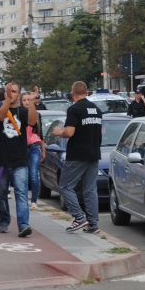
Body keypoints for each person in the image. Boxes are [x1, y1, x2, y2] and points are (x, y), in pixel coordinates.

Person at [52, 81, 103, 233]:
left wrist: (59, 132)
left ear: (73, 94)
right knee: (90, 189)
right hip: (94, 153)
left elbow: (69, 132)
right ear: (87, 92)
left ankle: (79, 217)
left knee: (65, 186)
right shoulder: (97, 109)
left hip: (78, 154)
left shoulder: (74, 109)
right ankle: (93, 224)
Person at [0, 83, 39, 237]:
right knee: (2, 193)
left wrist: (31, 101)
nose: (12, 93)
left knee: (21, 193)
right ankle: (4, 220)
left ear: (19, 95)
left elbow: (32, 121)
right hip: (1, 160)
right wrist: (6, 100)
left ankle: (23, 225)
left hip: (19, 160)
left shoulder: (22, 112)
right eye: (9, 91)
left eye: (15, 92)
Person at [21, 92, 46, 210]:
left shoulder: (37, 114)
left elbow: (40, 134)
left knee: (34, 174)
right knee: (23, 175)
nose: (26, 101)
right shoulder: (19, 114)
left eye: (28, 99)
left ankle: (34, 201)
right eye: (24, 100)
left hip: (34, 146)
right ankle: (24, 199)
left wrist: (43, 150)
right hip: (21, 147)